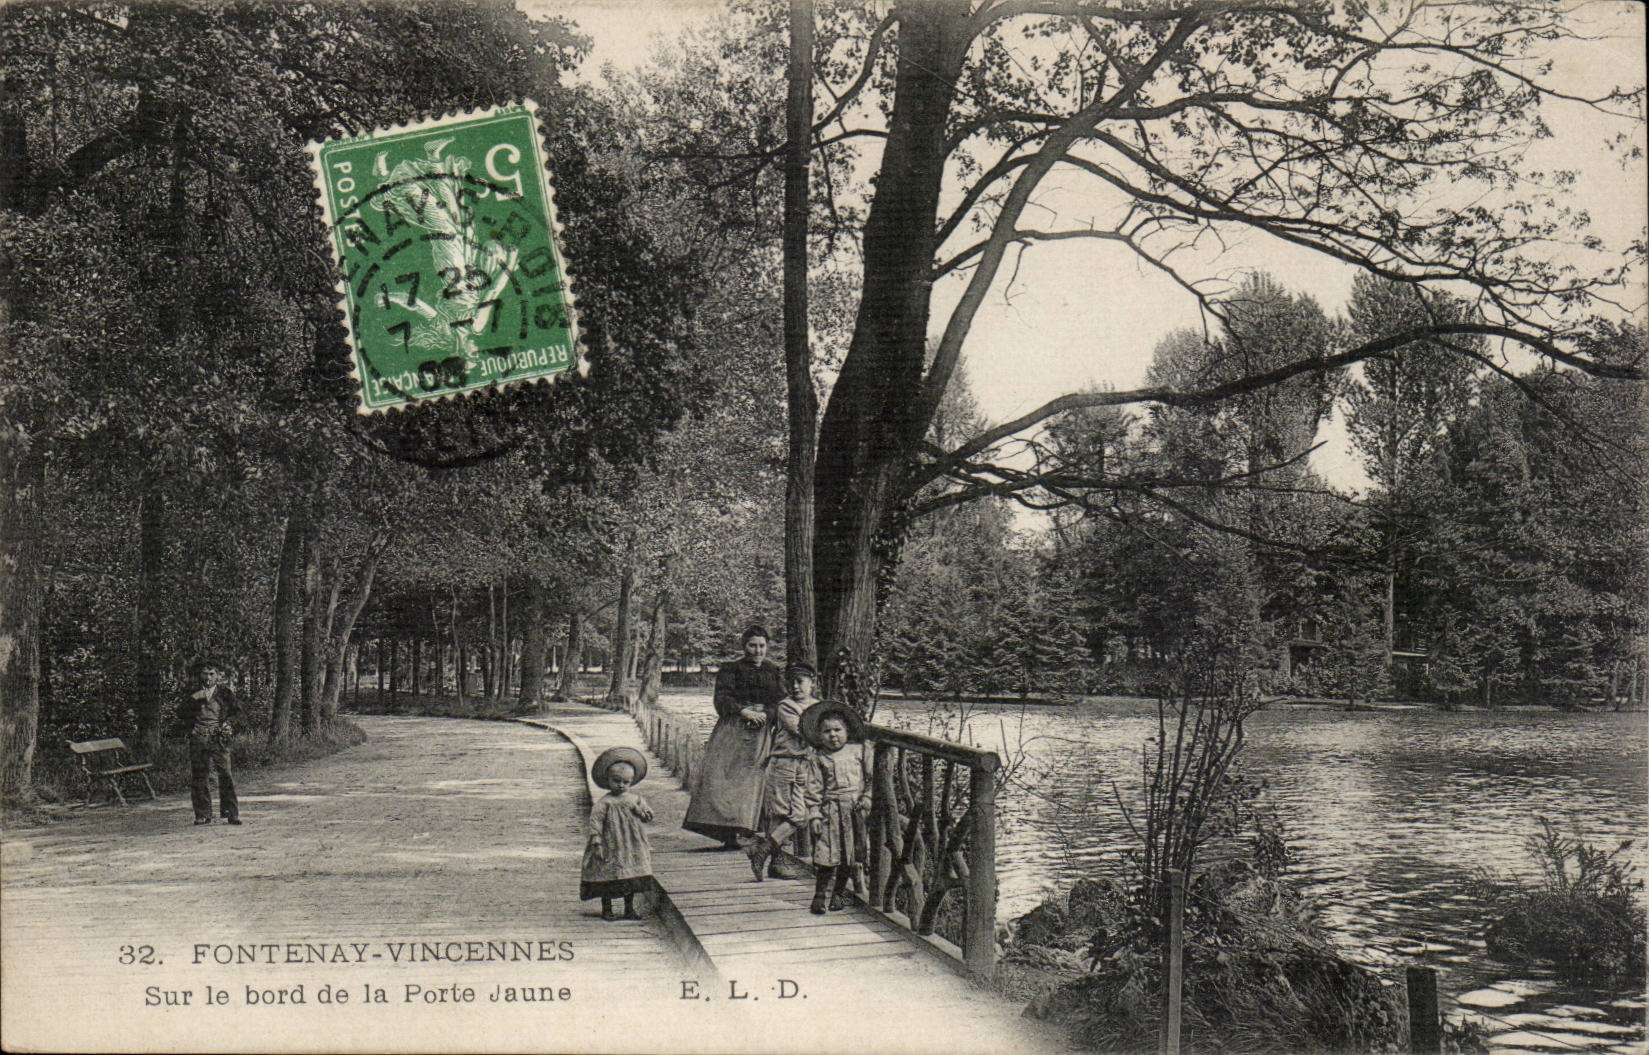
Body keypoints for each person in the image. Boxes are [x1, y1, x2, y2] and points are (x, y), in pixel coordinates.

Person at [682, 625, 784, 848]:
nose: (757, 651)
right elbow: (722, 697)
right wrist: (743, 711)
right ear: (744, 646)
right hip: (733, 728)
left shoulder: (773, 671)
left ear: (767, 647)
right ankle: (725, 834)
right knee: (722, 777)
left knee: (752, 780)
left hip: (760, 733)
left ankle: (747, 829)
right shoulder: (731, 669)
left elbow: (779, 702)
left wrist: (767, 714)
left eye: (761, 646)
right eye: (752, 645)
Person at [745, 661, 817, 881]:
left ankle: (762, 850)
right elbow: (803, 730)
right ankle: (776, 863)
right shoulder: (786, 706)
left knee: (800, 815)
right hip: (784, 763)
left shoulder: (817, 706)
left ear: (812, 683)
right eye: (791, 682)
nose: (795, 686)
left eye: (800, 682)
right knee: (779, 814)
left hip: (804, 765)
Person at [799, 701, 871, 914]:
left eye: (838, 730)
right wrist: (814, 815)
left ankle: (838, 893)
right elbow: (813, 789)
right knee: (826, 855)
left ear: (847, 731)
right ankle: (820, 895)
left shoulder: (858, 751)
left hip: (854, 811)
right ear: (819, 735)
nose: (833, 736)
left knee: (849, 855)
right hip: (830, 811)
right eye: (827, 731)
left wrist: (867, 798)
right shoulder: (818, 757)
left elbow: (871, 778)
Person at [580, 747, 655, 921]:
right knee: (609, 875)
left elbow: (647, 816)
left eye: (626, 782)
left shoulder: (635, 799)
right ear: (608, 780)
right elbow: (595, 822)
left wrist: (642, 811)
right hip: (611, 844)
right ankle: (608, 909)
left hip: (631, 845)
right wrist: (597, 842)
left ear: (631, 782)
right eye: (616, 781)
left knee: (631, 878)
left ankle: (629, 908)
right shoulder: (605, 803)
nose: (621, 785)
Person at [177, 658, 240, 826]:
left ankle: (231, 812)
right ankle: (202, 814)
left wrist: (228, 725)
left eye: (212, 674)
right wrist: (193, 699)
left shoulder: (225, 694)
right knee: (199, 774)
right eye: (205, 673)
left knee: (225, 773)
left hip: (219, 738)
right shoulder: (193, 692)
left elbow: (238, 714)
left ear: (218, 676)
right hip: (199, 737)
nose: (208, 677)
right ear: (200, 675)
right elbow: (181, 714)